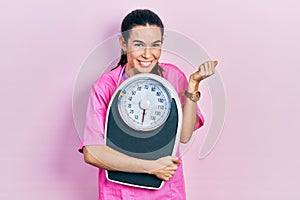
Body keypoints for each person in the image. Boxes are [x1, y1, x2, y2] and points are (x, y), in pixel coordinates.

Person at [78, 9, 218, 200]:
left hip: (167, 191)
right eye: (138, 44)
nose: (147, 54)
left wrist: (193, 84)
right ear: (123, 44)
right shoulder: (106, 86)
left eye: (155, 45)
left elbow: (183, 136)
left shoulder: (172, 77)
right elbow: (92, 152)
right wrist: (152, 167)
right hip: (120, 192)